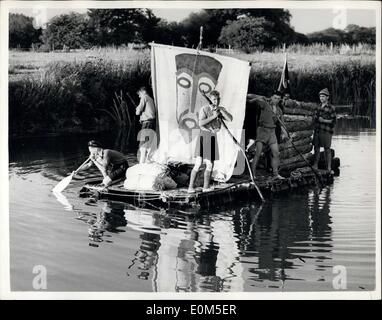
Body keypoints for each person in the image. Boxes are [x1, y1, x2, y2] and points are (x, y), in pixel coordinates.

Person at [188, 90, 233, 193]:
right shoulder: (205, 109)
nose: (216, 101)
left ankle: (205, 187)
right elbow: (200, 123)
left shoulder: (220, 109)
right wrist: (213, 116)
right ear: (210, 99)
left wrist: (222, 111)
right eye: (213, 99)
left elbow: (230, 119)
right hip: (204, 135)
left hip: (213, 137)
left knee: (210, 164)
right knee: (198, 163)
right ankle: (190, 188)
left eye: (217, 99)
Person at [247, 91, 288, 179]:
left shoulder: (279, 110)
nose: (276, 100)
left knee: (276, 153)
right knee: (258, 152)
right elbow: (250, 101)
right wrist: (259, 97)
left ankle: (275, 174)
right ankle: (253, 175)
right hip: (262, 130)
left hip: (272, 132)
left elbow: (282, 124)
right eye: (274, 98)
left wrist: (286, 134)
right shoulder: (265, 104)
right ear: (271, 97)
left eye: (278, 99)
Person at [312, 88, 336, 173]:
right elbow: (314, 117)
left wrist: (324, 121)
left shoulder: (331, 108)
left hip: (326, 131)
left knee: (327, 149)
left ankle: (328, 167)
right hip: (317, 130)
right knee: (316, 148)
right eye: (320, 96)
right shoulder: (317, 107)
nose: (321, 98)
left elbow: (334, 121)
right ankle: (315, 165)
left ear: (327, 97)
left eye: (323, 96)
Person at [135, 86, 156, 164]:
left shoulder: (144, 97)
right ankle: (147, 161)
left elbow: (137, 112)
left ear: (143, 92)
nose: (139, 96)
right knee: (148, 144)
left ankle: (141, 163)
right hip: (151, 123)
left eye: (139, 94)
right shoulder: (150, 99)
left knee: (142, 144)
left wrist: (137, 109)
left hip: (146, 123)